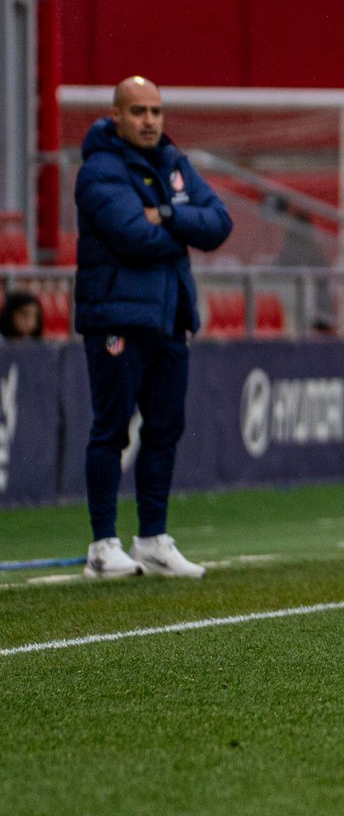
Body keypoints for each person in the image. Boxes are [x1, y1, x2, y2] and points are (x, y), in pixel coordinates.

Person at [73, 75, 233, 579]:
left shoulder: (172, 162)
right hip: (117, 317)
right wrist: (179, 226)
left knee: (164, 430)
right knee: (111, 429)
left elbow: (220, 223)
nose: (149, 121)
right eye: (138, 111)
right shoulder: (99, 170)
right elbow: (134, 237)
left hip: (169, 317)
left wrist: (164, 213)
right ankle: (102, 546)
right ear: (116, 115)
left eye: (156, 111)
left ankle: (152, 539)